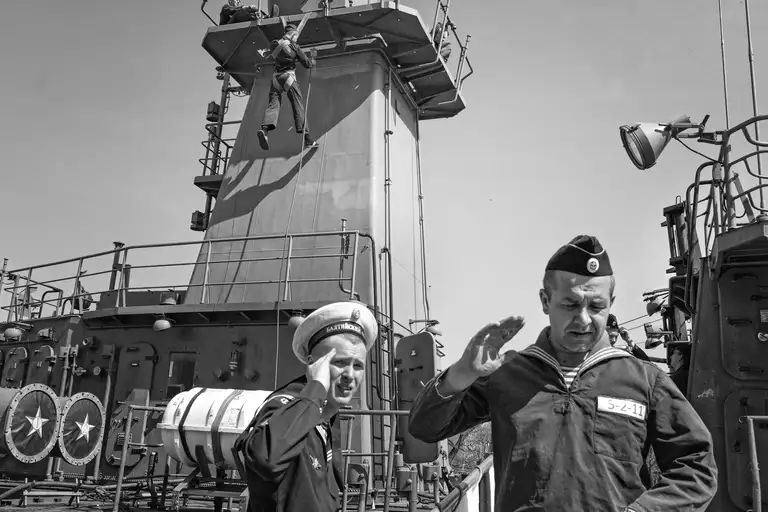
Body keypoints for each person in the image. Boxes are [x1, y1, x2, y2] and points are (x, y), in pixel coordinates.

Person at [408, 235, 717, 511]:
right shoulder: (506, 375)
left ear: (611, 304)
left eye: (596, 306)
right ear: (546, 301)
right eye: (570, 304)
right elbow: (425, 428)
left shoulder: (645, 381)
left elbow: (696, 467)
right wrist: (463, 373)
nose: (583, 319)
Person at [234, 301, 378, 512]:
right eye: (339, 362)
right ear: (314, 364)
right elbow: (266, 459)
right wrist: (316, 388)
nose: (350, 375)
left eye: (358, 366)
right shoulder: (288, 406)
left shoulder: (326, 415)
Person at [257, 24, 318, 151]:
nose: (297, 39)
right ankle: (307, 139)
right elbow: (307, 64)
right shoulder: (295, 47)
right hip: (288, 78)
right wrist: (312, 59)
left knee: (273, 105)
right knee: (298, 104)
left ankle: (265, 130)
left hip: (275, 79)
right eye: (296, 36)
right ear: (294, 34)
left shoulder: (274, 44)